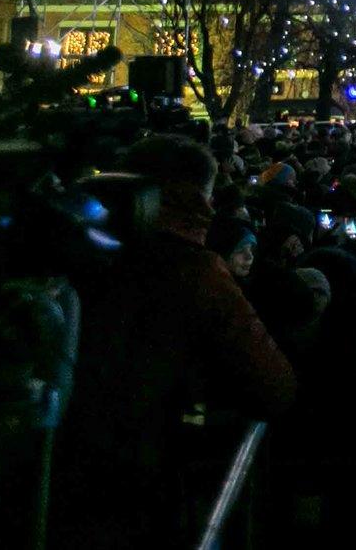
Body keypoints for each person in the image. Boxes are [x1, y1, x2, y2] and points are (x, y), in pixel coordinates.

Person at [53, 135, 297, 549]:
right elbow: (274, 385)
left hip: (55, 468)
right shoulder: (193, 270)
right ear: (200, 193)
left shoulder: (64, 250)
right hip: (147, 478)